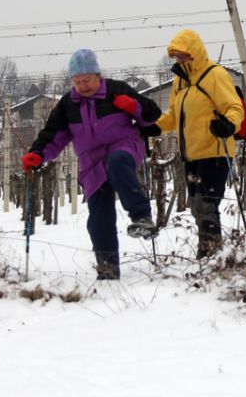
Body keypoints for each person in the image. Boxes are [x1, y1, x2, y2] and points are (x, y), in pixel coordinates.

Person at [22, 48, 161, 281]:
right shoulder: (68, 105)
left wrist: (133, 106)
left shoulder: (117, 90)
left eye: (86, 80)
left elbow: (151, 115)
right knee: (98, 216)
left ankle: (142, 216)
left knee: (117, 162)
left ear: (98, 75)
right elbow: (53, 134)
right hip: (92, 162)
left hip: (124, 147)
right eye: (77, 82)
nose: (82, 86)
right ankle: (107, 270)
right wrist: (38, 154)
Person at [153, 29, 244, 259]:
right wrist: (154, 126)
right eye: (176, 56)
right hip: (190, 153)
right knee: (196, 205)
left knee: (207, 203)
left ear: (194, 52)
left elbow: (234, 107)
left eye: (182, 55)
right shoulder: (180, 82)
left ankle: (210, 253)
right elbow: (173, 116)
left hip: (213, 150)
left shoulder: (215, 75)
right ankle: (211, 251)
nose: (179, 60)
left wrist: (229, 124)